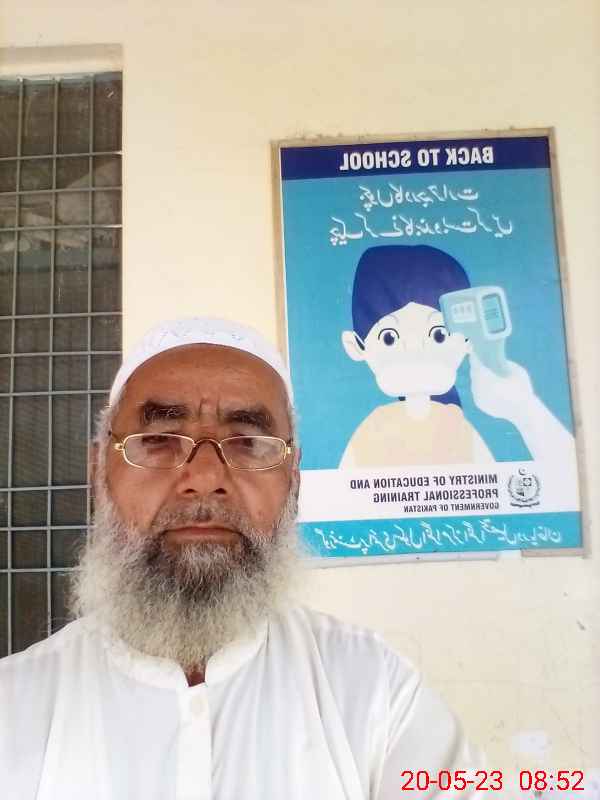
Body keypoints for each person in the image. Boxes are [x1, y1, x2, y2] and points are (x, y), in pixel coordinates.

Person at [1, 317, 483, 799]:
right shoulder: (14, 708)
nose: (205, 478)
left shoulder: (377, 693)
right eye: (159, 440)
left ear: (294, 479)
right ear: (98, 470)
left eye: (249, 443)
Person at [340, 244, 574, 468]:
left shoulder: (457, 428)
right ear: (355, 346)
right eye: (389, 338)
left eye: (439, 335)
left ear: (467, 341)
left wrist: (522, 406)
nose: (417, 356)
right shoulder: (373, 431)